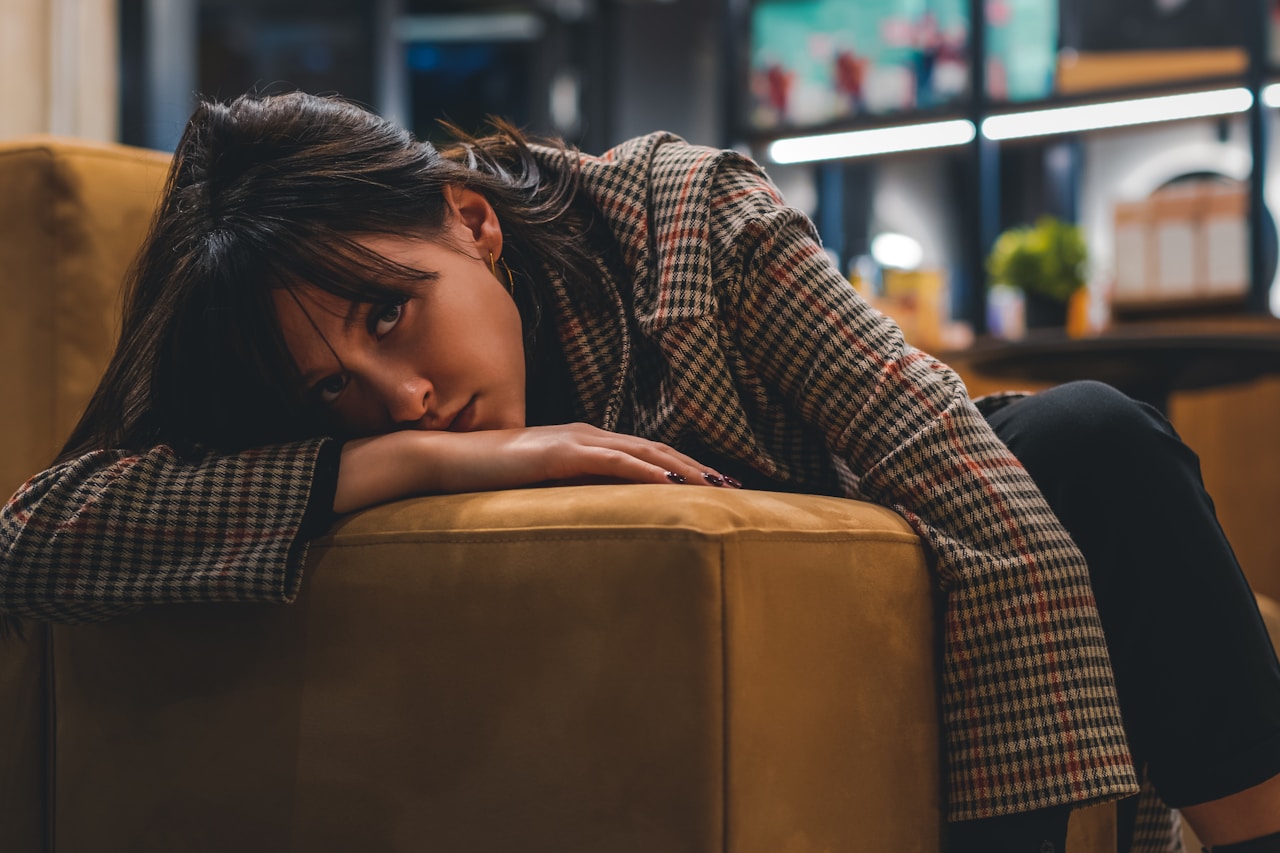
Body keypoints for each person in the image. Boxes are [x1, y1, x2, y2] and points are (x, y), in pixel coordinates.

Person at [2, 91, 1279, 852]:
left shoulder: (683, 216)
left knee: (1089, 441)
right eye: (330, 392)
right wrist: (409, 462)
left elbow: (932, 459)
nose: (400, 394)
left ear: (470, 222)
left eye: (395, 317)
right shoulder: (368, 430)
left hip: (894, 547)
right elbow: (36, 537)